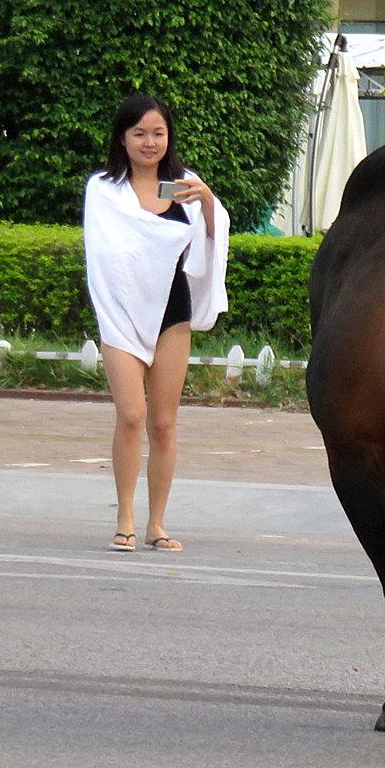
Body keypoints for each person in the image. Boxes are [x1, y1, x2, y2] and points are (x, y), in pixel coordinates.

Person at [84, 94, 229, 553]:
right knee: (131, 415)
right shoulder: (104, 188)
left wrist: (208, 204)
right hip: (121, 313)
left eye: (158, 133)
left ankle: (156, 523)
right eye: (140, 133)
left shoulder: (184, 185)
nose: (150, 142)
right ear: (123, 138)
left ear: (169, 137)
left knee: (163, 423)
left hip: (172, 309)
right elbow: (107, 257)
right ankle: (124, 516)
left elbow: (209, 242)